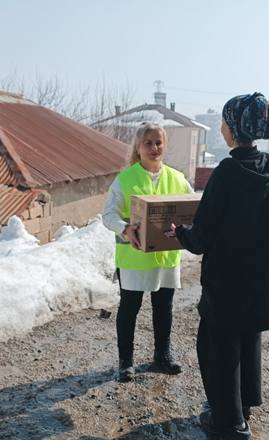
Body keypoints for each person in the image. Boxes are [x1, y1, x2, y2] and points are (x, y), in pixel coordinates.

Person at [172, 93, 269, 439]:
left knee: (220, 349)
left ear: (233, 129)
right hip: (263, 280)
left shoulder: (226, 173)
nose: (221, 127)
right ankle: (244, 405)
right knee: (248, 340)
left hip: (228, 284)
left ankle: (228, 424)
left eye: (224, 121)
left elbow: (203, 236)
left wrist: (179, 233)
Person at [101, 122, 193, 382]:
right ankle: (125, 362)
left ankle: (162, 356)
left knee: (164, 306)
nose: (154, 148)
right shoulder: (126, 179)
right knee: (130, 308)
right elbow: (108, 215)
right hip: (134, 258)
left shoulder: (177, 178)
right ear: (138, 148)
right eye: (149, 143)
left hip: (166, 256)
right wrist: (125, 228)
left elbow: (194, 207)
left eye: (159, 143)